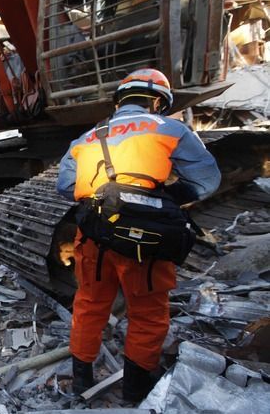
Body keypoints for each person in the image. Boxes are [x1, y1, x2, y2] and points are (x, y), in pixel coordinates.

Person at [56, 68, 221, 402]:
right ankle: (134, 390)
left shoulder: (86, 137)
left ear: (120, 101)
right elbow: (207, 180)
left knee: (88, 304)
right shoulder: (170, 127)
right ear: (158, 101)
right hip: (145, 240)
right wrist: (162, 200)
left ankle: (81, 382)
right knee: (147, 312)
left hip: (94, 235)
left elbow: (66, 188)